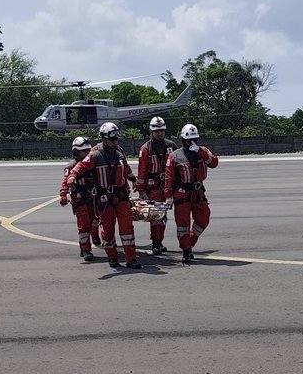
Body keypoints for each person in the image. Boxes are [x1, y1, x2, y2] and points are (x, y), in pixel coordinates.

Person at [69, 122, 142, 269]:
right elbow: (81, 165)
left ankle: (131, 258)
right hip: (104, 197)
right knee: (108, 229)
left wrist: (133, 179)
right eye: (112, 139)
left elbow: (126, 168)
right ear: (103, 139)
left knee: (127, 228)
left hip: (121, 195)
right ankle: (112, 257)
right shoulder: (95, 155)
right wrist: (72, 176)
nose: (115, 142)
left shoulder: (120, 152)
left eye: (116, 139)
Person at [164, 123, 219, 264]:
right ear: (183, 140)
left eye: (195, 139)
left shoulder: (203, 151)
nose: (192, 143)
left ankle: (191, 241)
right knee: (182, 224)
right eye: (189, 140)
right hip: (182, 193)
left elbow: (214, 163)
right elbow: (169, 177)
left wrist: (200, 151)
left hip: (198, 192)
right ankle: (186, 251)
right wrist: (168, 196)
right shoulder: (174, 156)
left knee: (204, 218)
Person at [137, 115, 176, 255]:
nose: (159, 133)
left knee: (163, 216)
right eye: (156, 130)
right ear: (151, 132)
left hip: (167, 185)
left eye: (162, 130)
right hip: (153, 187)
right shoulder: (145, 149)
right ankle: (155, 243)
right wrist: (141, 192)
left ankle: (159, 241)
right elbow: (141, 173)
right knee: (156, 216)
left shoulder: (171, 146)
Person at [59, 136, 99, 261]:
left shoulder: (92, 163)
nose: (88, 153)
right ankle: (86, 249)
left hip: (93, 196)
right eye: (84, 151)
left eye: (89, 150)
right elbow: (65, 181)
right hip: (79, 198)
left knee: (95, 219)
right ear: (76, 151)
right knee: (84, 225)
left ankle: (95, 236)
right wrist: (63, 195)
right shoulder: (71, 166)